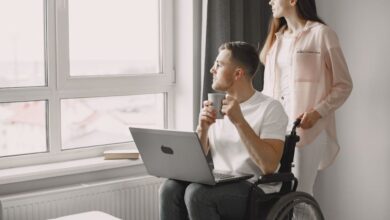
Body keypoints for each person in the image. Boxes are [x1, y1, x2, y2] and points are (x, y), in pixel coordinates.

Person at [159, 41, 288, 220]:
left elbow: (269, 166)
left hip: (255, 188)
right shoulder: (217, 105)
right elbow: (198, 159)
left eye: (218, 65)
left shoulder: (270, 108)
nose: (212, 69)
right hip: (220, 181)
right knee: (170, 188)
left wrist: (239, 121)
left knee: (198, 194)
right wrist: (202, 129)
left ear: (237, 73)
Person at [260, 0, 353, 195]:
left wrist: (317, 112)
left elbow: (344, 85)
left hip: (306, 130)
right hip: (274, 129)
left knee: (299, 193)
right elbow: (268, 89)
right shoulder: (276, 41)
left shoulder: (322, 34)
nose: (270, 2)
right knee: (275, 194)